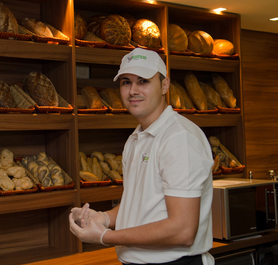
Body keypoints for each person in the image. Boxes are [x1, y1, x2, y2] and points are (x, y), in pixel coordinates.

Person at [69, 48, 215, 265]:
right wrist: (104, 218)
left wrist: (105, 236)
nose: (132, 91)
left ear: (164, 85)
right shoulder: (137, 138)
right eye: (126, 82)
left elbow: (183, 231)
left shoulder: (178, 138)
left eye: (143, 81)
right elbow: (140, 204)